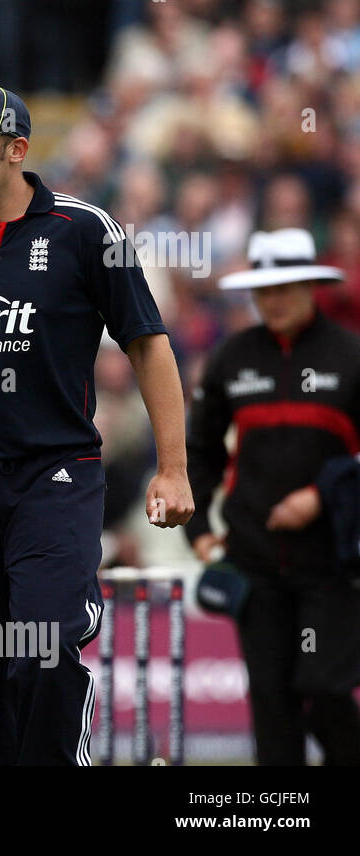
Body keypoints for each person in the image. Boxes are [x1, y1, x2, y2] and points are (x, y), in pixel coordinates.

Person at [0, 84, 194, 765]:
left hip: (53, 476)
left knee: (42, 646)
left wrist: (173, 468)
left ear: (17, 151)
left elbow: (149, 343)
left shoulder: (87, 232)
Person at [188, 227, 360, 765]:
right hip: (255, 566)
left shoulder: (350, 356)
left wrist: (321, 498)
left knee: (326, 689)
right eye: (265, 290)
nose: (275, 300)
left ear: (311, 285)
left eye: (286, 287)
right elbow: (199, 452)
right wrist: (199, 533)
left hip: (332, 567)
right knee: (272, 705)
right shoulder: (231, 359)